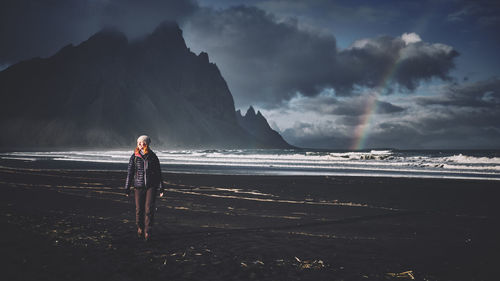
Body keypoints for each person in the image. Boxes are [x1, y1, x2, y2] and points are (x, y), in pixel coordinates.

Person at [125, 135, 164, 241]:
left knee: (149, 209)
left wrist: (161, 188)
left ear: (147, 144)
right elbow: (130, 173)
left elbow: (158, 173)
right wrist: (127, 188)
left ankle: (148, 231)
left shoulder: (153, 156)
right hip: (138, 186)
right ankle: (140, 227)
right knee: (139, 209)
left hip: (151, 187)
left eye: (143, 143)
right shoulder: (134, 157)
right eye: (139, 143)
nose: (141, 145)